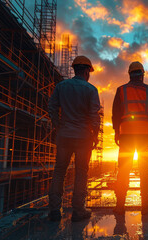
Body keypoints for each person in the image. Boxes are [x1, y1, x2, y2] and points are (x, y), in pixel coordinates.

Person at [47, 55, 100, 222]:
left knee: (59, 171)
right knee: (81, 172)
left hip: (64, 135)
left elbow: (52, 107)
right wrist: (95, 134)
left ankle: (55, 210)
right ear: (86, 71)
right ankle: (78, 210)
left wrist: (58, 125)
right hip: (83, 137)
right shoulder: (91, 90)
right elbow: (94, 116)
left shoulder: (61, 86)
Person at [112, 61, 148, 215]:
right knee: (145, 171)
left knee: (124, 169)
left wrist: (117, 132)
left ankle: (120, 205)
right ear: (142, 75)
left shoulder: (121, 90)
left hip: (126, 135)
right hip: (145, 136)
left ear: (129, 74)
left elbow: (116, 114)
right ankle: (146, 205)